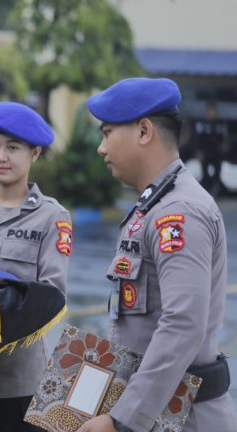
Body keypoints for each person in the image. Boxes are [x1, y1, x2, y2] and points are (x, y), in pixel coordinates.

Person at [77, 77, 237, 432]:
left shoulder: (177, 213)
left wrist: (121, 419)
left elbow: (183, 324)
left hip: (181, 418)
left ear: (144, 131)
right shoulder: (154, 205)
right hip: (156, 412)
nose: (101, 148)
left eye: (106, 133)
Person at [0, 101, 71, 431]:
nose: (0, 156)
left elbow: (51, 295)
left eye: (13, 148)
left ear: (34, 153)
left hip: (16, 381)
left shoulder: (52, 217)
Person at [193, 102, 228, 194]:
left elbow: (223, 139)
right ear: (207, 113)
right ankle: (204, 191)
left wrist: (224, 146)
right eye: (210, 111)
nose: (212, 113)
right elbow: (198, 139)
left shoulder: (219, 124)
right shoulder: (202, 124)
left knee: (217, 174)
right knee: (205, 174)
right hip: (205, 153)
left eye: (214, 111)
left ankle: (216, 191)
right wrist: (199, 152)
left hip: (216, 153)